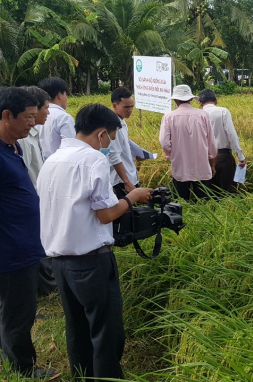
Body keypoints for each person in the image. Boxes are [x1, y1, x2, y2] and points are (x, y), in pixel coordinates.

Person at [37, 104, 152, 381]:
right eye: (110, 138)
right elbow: (106, 215)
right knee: (106, 330)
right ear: (101, 134)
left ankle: (82, 376)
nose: (109, 144)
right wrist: (132, 198)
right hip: (91, 262)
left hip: (60, 262)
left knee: (77, 327)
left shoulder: (51, 161)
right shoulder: (93, 161)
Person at [0, 87, 55, 378]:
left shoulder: (13, 146)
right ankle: (23, 368)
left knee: (14, 309)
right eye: (28, 118)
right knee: (17, 315)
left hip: (24, 243)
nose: (33, 123)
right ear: (6, 115)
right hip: (12, 249)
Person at [16, 86, 58, 296]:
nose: (48, 113)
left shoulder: (33, 133)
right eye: (46, 109)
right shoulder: (22, 139)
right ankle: (43, 286)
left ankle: (45, 284)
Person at [159, 85, 217, 200]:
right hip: (201, 167)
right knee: (204, 202)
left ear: (175, 100)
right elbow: (212, 142)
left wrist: (171, 154)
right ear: (191, 99)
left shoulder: (168, 117)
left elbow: (164, 142)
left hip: (180, 166)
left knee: (181, 203)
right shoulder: (203, 115)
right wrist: (212, 161)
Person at [198, 89, 246, 194]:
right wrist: (240, 156)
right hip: (223, 156)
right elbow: (232, 134)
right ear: (216, 101)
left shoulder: (197, 115)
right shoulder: (223, 111)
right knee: (227, 192)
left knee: (209, 194)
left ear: (201, 103)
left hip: (203, 158)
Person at [108, 87, 150, 199]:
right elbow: (114, 156)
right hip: (121, 181)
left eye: (132, 106)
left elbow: (124, 146)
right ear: (114, 105)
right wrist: (126, 182)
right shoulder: (113, 126)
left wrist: (136, 153)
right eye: (126, 107)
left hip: (129, 177)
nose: (130, 110)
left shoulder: (121, 122)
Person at [38, 77, 75, 159]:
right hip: (59, 166)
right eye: (66, 94)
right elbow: (71, 148)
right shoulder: (64, 117)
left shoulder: (35, 116)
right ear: (59, 95)